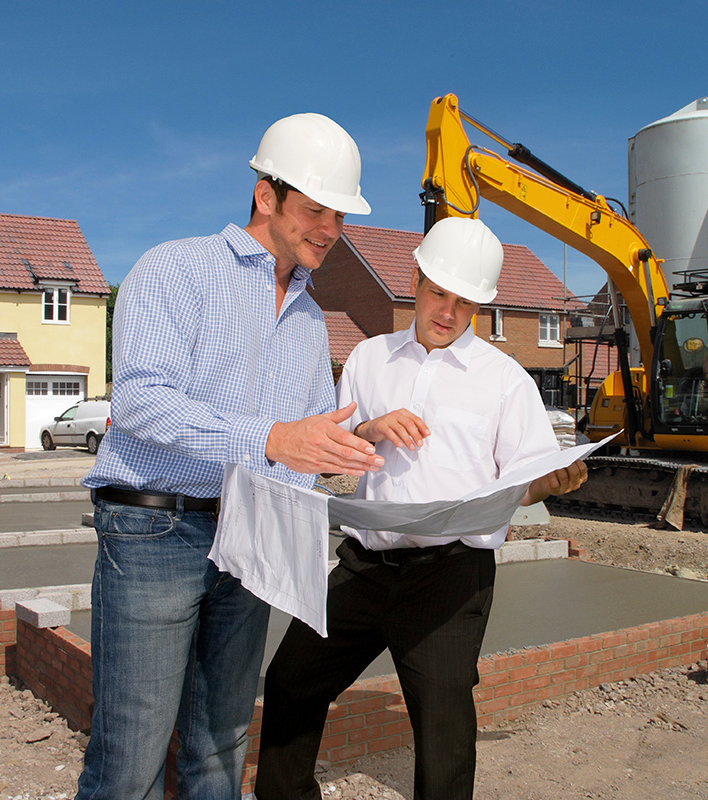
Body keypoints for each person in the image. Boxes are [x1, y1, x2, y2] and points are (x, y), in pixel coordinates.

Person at [75, 113, 382, 800]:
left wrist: (356, 438)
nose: (329, 230)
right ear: (265, 196)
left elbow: (303, 440)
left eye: (339, 214)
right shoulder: (174, 270)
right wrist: (271, 438)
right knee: (130, 758)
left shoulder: (309, 317)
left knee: (221, 747)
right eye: (315, 210)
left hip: (250, 534)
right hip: (154, 531)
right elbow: (143, 403)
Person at [254, 217, 588, 800]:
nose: (448, 312)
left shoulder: (506, 382)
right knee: (290, 682)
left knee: (443, 727)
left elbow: (522, 485)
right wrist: (367, 427)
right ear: (415, 277)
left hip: (449, 576)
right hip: (365, 565)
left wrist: (548, 484)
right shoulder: (368, 358)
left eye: (465, 303)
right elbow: (329, 456)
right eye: (438, 293)